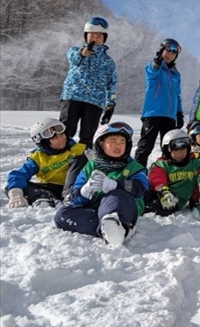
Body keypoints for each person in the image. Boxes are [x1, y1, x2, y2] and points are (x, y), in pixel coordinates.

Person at [54, 122, 148, 245]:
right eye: (113, 141)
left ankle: (120, 224)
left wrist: (115, 185)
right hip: (95, 210)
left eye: (122, 142)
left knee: (115, 195)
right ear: (101, 143)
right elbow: (72, 199)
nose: (118, 145)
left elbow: (140, 188)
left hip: (123, 210)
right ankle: (110, 230)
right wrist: (85, 191)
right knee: (62, 215)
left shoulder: (135, 167)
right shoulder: (90, 167)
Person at [59, 17, 117, 148]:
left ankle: (81, 165)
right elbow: (74, 59)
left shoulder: (108, 61)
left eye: (99, 35)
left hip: (95, 102)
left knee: (87, 136)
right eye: (92, 35)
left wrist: (111, 104)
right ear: (86, 36)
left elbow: (111, 84)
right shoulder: (74, 51)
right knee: (65, 132)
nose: (95, 38)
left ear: (104, 38)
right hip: (72, 97)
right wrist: (82, 53)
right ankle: (60, 163)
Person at [6, 118, 86, 208]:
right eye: (55, 138)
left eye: (62, 134)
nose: (61, 139)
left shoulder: (79, 149)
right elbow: (20, 174)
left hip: (75, 187)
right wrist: (16, 193)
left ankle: (68, 197)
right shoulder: (38, 157)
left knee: (80, 159)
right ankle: (45, 198)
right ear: (44, 142)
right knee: (13, 186)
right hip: (51, 189)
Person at [134, 39, 184, 168]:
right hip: (153, 113)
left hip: (170, 116)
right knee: (145, 147)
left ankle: (166, 175)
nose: (170, 55)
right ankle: (137, 176)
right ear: (161, 51)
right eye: (167, 52)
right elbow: (152, 72)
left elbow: (177, 95)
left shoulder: (176, 74)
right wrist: (156, 62)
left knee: (169, 149)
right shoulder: (153, 67)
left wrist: (179, 113)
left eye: (173, 54)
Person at [145, 129, 200, 216]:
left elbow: (196, 185)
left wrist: (194, 201)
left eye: (183, 149)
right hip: (159, 193)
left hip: (174, 202)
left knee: (165, 209)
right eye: (176, 150)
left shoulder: (194, 165)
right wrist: (163, 191)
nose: (180, 153)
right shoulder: (163, 164)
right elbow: (156, 176)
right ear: (167, 150)